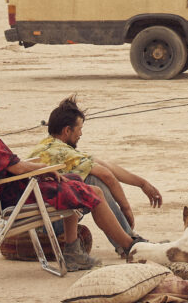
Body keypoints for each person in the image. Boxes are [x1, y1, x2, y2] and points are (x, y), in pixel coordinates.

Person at [0, 77, 141, 257]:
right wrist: (44, 169)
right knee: (92, 191)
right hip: (18, 198)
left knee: (75, 181)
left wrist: (43, 168)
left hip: (8, 194)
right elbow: (17, 168)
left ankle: (76, 251)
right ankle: (128, 246)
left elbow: (14, 165)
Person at [25, 96, 164, 238]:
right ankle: (129, 241)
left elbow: (105, 165)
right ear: (67, 131)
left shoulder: (49, 146)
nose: (81, 134)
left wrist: (142, 184)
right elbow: (106, 175)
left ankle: (128, 239)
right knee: (94, 181)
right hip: (44, 224)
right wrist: (125, 208)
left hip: (35, 218)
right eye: (79, 129)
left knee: (91, 177)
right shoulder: (63, 153)